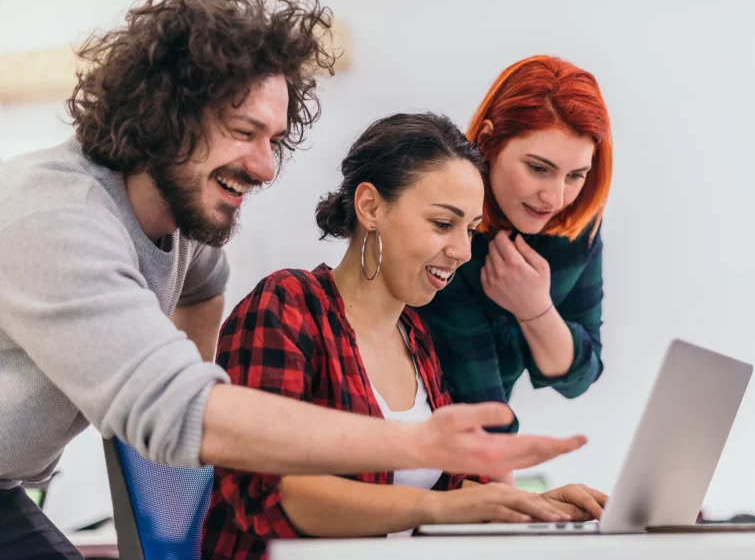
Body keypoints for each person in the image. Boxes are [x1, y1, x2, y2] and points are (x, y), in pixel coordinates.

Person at [0, 0, 585, 560]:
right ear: (164, 115)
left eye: (274, 139)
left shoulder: (178, 228)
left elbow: (205, 281)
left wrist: (515, 503)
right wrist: (413, 443)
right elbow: (191, 418)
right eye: (243, 131)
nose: (265, 166)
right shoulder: (60, 220)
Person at [201, 112, 606, 560]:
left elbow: (454, 488)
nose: (463, 251)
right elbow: (275, 494)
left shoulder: (416, 338)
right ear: (371, 207)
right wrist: (440, 508)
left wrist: (530, 507)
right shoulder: (287, 306)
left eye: (470, 229)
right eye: (442, 224)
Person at [417, 55, 613, 440]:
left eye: (575, 175)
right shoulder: (444, 222)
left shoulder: (579, 228)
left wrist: (533, 308)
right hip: (420, 445)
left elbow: (580, 376)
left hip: (483, 457)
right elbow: (480, 412)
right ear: (488, 141)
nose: (555, 197)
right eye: (539, 168)